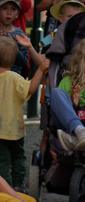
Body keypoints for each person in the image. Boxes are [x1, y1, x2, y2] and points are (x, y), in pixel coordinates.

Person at [0, 37, 49, 188]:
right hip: (15, 129)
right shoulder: (14, 78)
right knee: (18, 157)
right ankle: (17, 185)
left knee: (2, 160)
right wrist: (40, 69)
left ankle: (5, 189)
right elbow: (31, 89)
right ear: (14, 59)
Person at [0, 0, 46, 76]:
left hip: (13, 79)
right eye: (4, 8)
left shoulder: (20, 35)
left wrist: (13, 47)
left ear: (17, 14)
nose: (9, 12)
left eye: (13, 9)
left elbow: (24, 62)